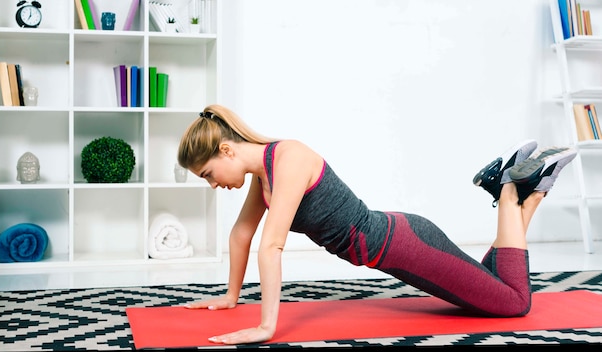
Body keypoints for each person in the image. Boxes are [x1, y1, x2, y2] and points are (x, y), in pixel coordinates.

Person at [177, 104, 577, 345]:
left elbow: (271, 245)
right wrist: (231, 296)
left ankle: (509, 190)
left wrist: (267, 326)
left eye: (209, 174)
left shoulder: (289, 158)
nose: (214, 185)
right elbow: (241, 233)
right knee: (495, 281)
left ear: (225, 150)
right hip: (402, 242)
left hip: (407, 246)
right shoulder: (265, 173)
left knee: (515, 303)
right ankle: (537, 188)